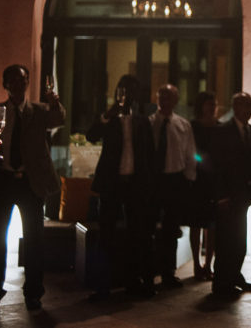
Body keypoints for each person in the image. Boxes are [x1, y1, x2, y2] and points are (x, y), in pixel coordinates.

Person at [0, 64, 65, 316]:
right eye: (13, 81)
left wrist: (55, 103)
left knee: (34, 239)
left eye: (22, 80)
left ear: (28, 82)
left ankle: (33, 294)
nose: (18, 85)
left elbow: (58, 119)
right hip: (3, 180)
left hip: (31, 182)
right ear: (6, 84)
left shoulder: (39, 111)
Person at [85, 74, 155, 300]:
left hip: (136, 185)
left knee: (137, 235)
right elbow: (91, 136)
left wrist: (149, 185)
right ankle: (102, 286)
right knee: (106, 234)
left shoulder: (142, 121)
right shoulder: (109, 118)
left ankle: (133, 283)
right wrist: (107, 115)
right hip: (111, 184)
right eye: (123, 91)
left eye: (131, 92)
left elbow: (149, 154)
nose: (126, 96)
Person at [211, 91, 251, 297]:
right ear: (235, 107)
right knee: (225, 242)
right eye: (243, 105)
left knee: (240, 241)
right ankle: (221, 284)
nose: (247, 110)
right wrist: (220, 195)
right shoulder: (222, 131)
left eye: (250, 106)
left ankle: (233, 277)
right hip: (227, 195)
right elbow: (216, 166)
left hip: (244, 195)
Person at [148, 84, 196, 288]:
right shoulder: (149, 123)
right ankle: (149, 271)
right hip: (153, 180)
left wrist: (188, 179)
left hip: (175, 180)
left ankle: (169, 272)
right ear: (157, 98)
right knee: (149, 226)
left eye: (169, 97)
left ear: (176, 100)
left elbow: (189, 152)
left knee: (171, 229)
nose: (165, 100)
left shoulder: (183, 125)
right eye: (162, 96)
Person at [189, 91, 219, 282]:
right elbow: (191, 151)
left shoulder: (219, 126)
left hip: (214, 179)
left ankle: (209, 264)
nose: (211, 107)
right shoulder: (192, 126)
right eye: (208, 104)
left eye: (213, 104)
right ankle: (196, 264)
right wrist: (201, 162)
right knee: (196, 223)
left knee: (212, 224)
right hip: (197, 178)